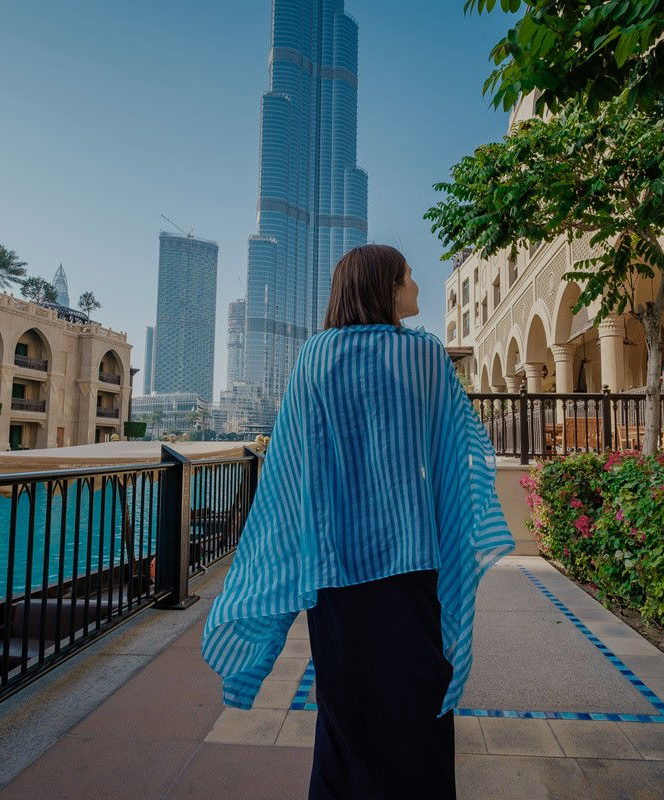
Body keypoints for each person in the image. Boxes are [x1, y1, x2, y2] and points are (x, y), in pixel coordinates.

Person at [200, 244, 515, 799]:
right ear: (386, 286)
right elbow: (456, 459)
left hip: (334, 569)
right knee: (420, 708)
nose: (417, 285)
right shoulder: (423, 355)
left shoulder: (316, 355)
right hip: (412, 563)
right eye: (409, 276)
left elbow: (291, 471)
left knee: (345, 716)